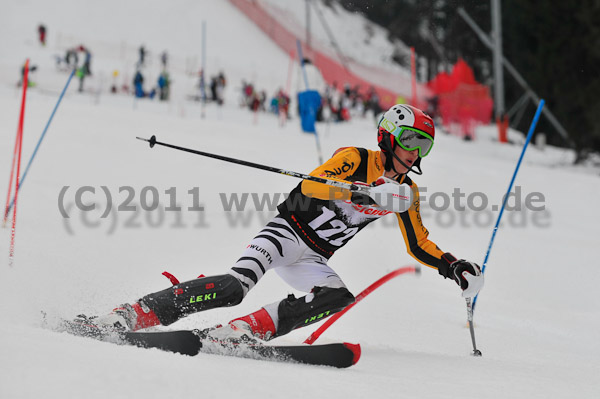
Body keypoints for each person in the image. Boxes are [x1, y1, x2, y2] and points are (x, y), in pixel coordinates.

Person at [81, 104, 484, 343]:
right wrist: (359, 193)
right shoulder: (356, 159)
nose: (415, 154)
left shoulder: (405, 194)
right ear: (388, 138)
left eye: (424, 145)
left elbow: (418, 244)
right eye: (411, 141)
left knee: (337, 297)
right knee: (233, 286)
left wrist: (453, 266)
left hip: (313, 257)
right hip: (285, 232)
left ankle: (241, 331)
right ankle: (131, 314)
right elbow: (311, 184)